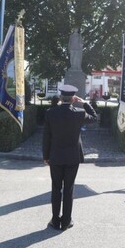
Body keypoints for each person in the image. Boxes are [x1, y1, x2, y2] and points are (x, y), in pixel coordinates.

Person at [42, 85, 98, 230]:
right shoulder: (79, 113)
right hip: (72, 157)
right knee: (69, 189)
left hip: (55, 156)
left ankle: (55, 220)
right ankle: (66, 221)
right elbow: (94, 117)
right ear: (73, 99)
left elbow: (46, 137)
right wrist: (84, 103)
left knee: (56, 188)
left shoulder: (50, 113)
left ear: (61, 98)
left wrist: (45, 156)